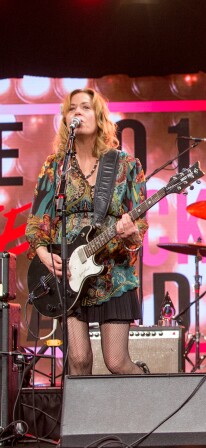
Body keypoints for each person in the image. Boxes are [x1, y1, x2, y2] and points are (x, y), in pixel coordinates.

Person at [25, 88, 148, 375]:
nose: (77, 112)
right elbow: (36, 222)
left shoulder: (126, 165)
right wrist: (45, 256)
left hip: (113, 274)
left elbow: (139, 225)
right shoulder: (55, 166)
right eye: (72, 108)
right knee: (78, 361)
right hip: (68, 274)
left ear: (100, 117)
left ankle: (148, 393)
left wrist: (131, 234)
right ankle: (84, 421)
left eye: (85, 107)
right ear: (66, 119)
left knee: (116, 362)